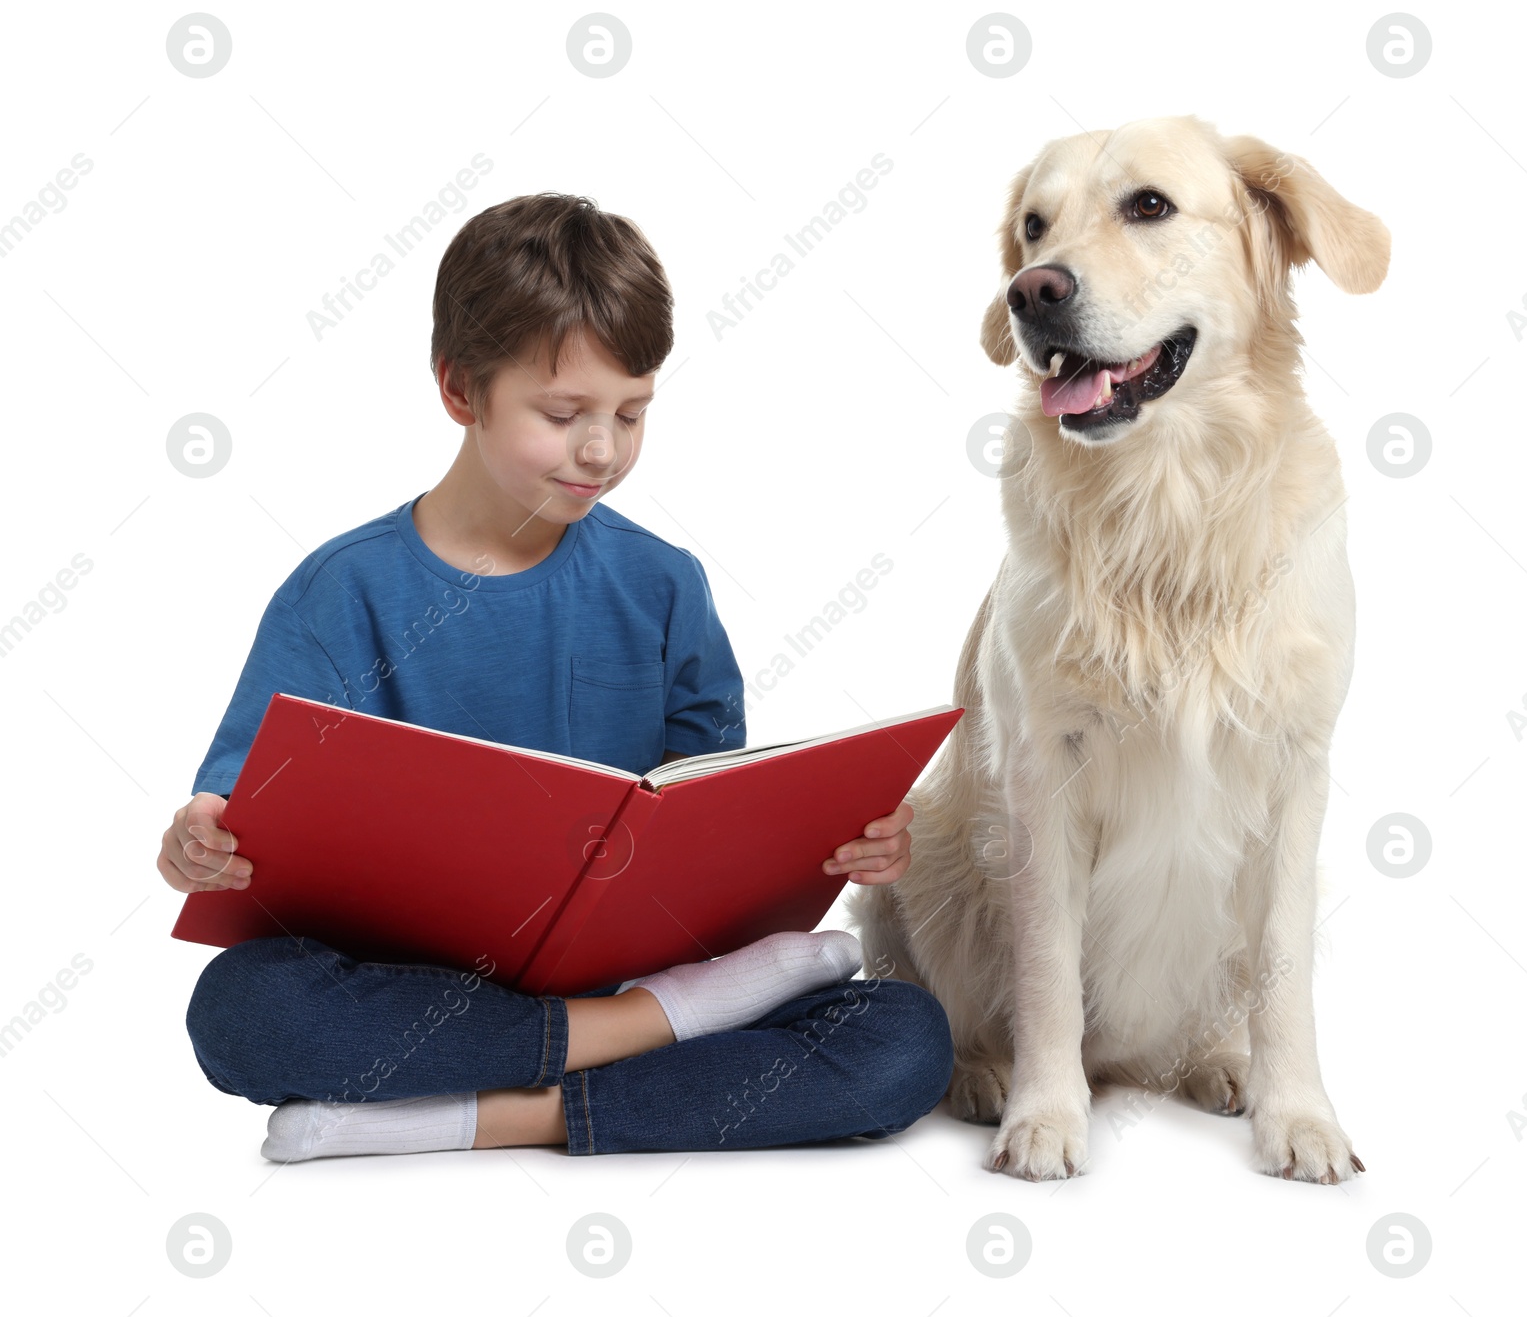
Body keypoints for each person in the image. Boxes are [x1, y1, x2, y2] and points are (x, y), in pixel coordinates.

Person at [156, 192, 954, 1163]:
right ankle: (642, 1038)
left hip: (633, 969)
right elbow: (238, 824)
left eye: (632, 412)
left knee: (903, 1041)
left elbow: (714, 820)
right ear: (460, 390)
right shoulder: (341, 593)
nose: (602, 451)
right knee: (241, 1012)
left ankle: (492, 1113)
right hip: (430, 990)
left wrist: (837, 842)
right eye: (563, 413)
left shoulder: (664, 585)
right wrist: (198, 843)